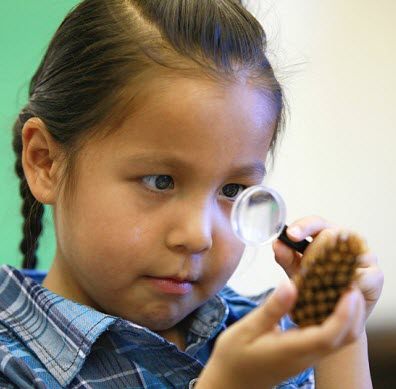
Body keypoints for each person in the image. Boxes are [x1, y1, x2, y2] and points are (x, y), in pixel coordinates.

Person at [1, 0, 383, 387]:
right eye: (160, 181)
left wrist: (340, 333)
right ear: (46, 162)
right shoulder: (12, 367)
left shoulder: (274, 339)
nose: (198, 236)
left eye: (233, 189)